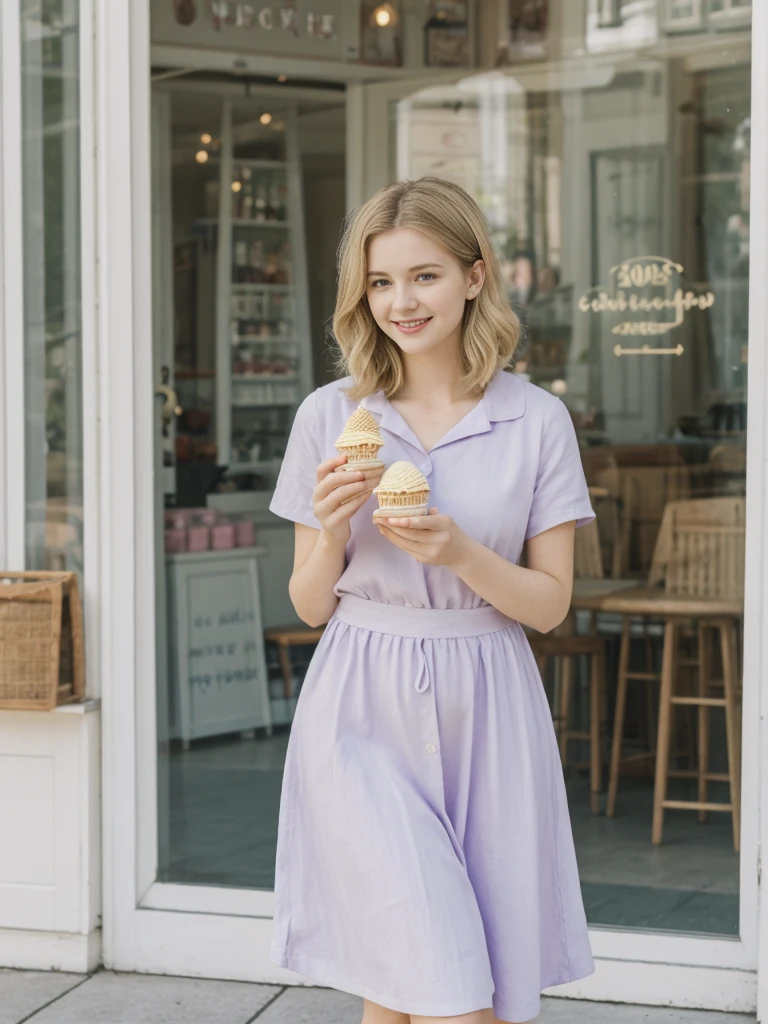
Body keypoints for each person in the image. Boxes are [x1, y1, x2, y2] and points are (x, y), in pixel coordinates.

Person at [267, 176, 596, 1024]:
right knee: (447, 985)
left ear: (476, 276)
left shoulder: (537, 422)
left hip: (488, 702)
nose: (400, 302)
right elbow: (308, 604)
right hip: (360, 708)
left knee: (408, 980)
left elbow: (551, 604)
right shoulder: (332, 416)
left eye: (425, 276)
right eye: (380, 282)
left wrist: (458, 551)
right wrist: (335, 528)